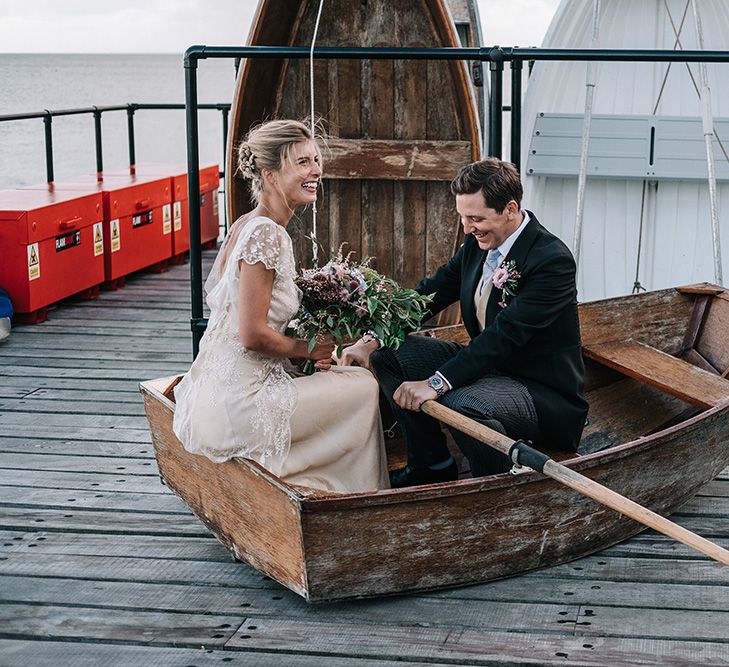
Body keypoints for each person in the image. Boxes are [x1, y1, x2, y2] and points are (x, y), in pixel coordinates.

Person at [341, 158, 588, 488]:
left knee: (459, 405)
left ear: (511, 209)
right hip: (487, 371)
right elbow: (427, 296)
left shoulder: (551, 260)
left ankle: (496, 484)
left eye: (476, 218)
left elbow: (503, 337)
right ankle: (432, 465)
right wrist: (372, 339)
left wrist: (436, 383)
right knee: (389, 355)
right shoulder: (476, 247)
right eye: (463, 217)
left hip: (538, 391)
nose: (467, 227)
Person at [172, 119, 389, 493]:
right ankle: (349, 496)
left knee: (337, 378)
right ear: (270, 174)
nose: (316, 171)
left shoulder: (246, 223)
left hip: (214, 391)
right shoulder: (268, 235)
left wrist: (303, 352)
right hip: (240, 405)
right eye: (303, 163)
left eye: (316, 160)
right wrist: (312, 349)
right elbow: (252, 335)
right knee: (362, 386)